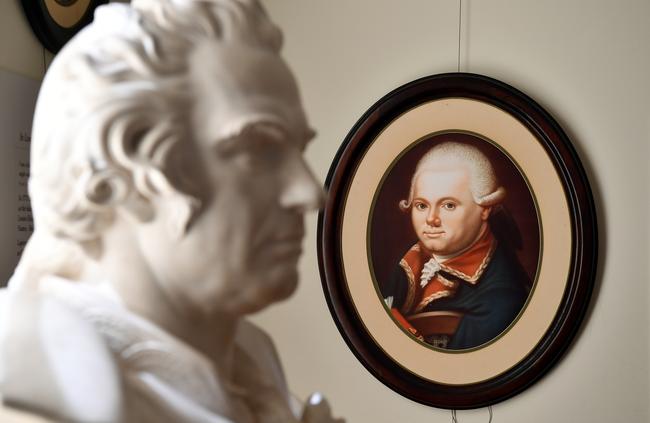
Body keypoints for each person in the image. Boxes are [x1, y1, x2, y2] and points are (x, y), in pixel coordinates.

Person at [0, 1, 342, 422]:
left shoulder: (250, 366)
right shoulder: (37, 398)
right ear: (131, 167)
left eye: (298, 150)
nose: (311, 193)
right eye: (262, 147)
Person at [380, 141, 530, 350]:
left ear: (485, 209)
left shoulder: (501, 299)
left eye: (448, 205)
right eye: (421, 205)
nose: (431, 219)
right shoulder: (412, 261)